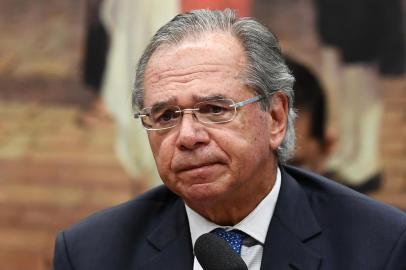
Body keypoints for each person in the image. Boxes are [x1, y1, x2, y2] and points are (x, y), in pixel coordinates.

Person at [53, 9, 406, 270]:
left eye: (214, 109)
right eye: (166, 116)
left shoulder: (380, 246)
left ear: (276, 118)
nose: (187, 136)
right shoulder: (90, 254)